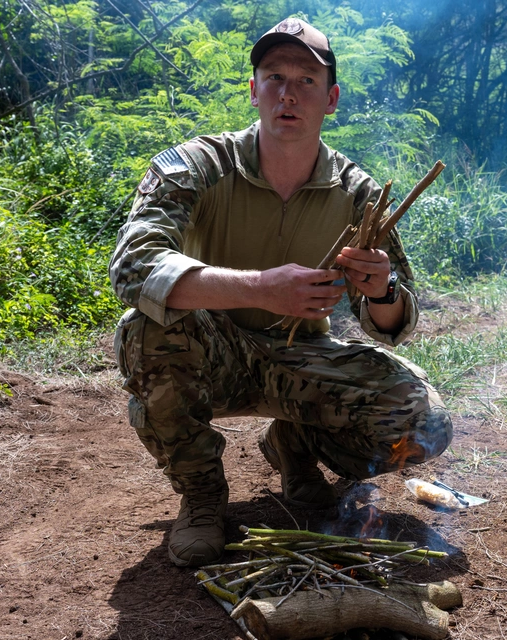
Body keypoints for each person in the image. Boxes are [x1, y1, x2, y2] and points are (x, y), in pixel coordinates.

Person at [108, 18, 452, 567]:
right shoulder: (194, 166)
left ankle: (294, 444)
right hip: (205, 353)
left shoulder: (358, 192)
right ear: (253, 90)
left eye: (306, 81)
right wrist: (262, 289)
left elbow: (394, 323)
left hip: (300, 358)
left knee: (422, 421)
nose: (288, 94)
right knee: (147, 327)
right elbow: (132, 268)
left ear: (331, 98)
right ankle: (201, 495)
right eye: (274, 78)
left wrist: (381, 287)